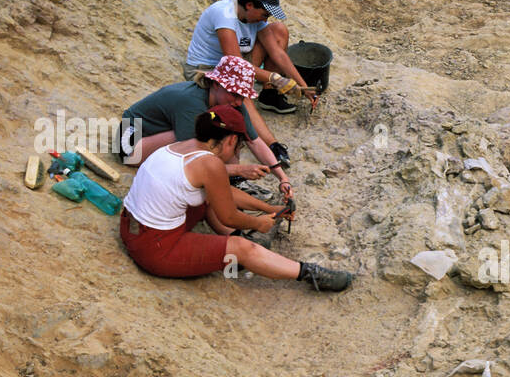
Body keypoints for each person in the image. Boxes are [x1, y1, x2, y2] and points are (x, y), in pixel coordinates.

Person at [119, 105, 351, 291]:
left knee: (210, 200)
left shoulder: (181, 147)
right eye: (238, 145)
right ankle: (310, 273)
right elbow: (228, 215)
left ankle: (242, 246)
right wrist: (258, 223)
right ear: (230, 140)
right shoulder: (210, 164)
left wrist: (268, 207)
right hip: (155, 249)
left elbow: (223, 193)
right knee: (242, 248)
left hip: (130, 227)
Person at [120, 56, 293, 199]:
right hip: (129, 142)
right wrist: (238, 169)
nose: (238, 102)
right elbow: (190, 159)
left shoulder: (234, 103)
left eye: (242, 96)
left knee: (231, 128)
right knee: (203, 140)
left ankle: (234, 182)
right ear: (216, 84)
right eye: (234, 94)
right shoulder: (190, 102)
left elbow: (254, 141)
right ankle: (231, 179)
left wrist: (282, 178)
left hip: (158, 133)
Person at [184, 0, 316, 122]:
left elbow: (277, 53)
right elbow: (235, 64)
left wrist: (305, 87)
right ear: (249, 5)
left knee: (278, 30)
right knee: (234, 112)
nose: (265, 20)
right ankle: (239, 100)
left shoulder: (253, 17)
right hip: (207, 69)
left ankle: (269, 95)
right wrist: (275, 78)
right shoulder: (225, 14)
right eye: (265, 14)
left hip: (234, 63)